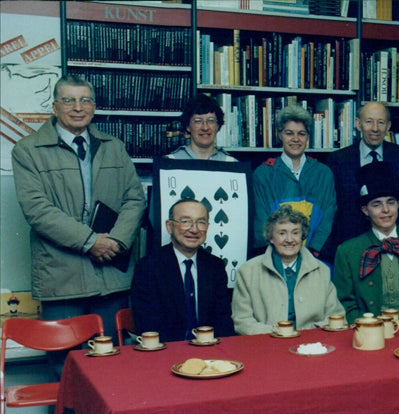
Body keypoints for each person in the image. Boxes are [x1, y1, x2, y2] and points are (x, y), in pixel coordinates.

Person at [11, 74, 146, 355]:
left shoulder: (114, 147)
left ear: (93, 106)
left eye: (85, 100)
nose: (77, 107)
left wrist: (117, 242)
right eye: (68, 100)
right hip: (62, 280)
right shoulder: (27, 151)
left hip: (111, 278)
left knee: (112, 366)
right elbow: (37, 210)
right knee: (66, 368)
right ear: (55, 106)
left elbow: (134, 199)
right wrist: (90, 241)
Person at [333, 165, 399, 324]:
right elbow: (346, 303)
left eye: (390, 202)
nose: (385, 210)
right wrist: (368, 329)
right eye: (376, 204)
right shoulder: (348, 251)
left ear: (398, 204)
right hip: (369, 331)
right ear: (365, 210)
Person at [131, 198, 234, 342]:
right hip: (166, 351)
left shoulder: (215, 266)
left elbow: (223, 320)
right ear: (169, 226)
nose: (194, 229)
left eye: (201, 222)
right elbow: (147, 324)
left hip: (210, 350)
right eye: (185, 221)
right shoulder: (149, 267)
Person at [232, 205, 344, 334]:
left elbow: (336, 317)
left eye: (295, 233)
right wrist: (277, 333)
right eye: (282, 233)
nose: (289, 240)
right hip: (267, 346)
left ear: (302, 236)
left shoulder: (322, 271)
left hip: (313, 346)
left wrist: (309, 335)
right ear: (271, 237)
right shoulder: (247, 272)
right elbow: (242, 322)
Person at [327, 101, 399, 253]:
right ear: (358, 124)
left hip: (393, 244)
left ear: (388, 126)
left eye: (380, 122)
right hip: (350, 244)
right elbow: (335, 208)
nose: (375, 128)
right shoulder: (338, 160)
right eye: (369, 122)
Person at [252, 104, 337, 254]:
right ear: (280, 135)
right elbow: (261, 219)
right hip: (275, 255)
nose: (296, 139)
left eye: (302, 134)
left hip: (314, 256)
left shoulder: (323, 173)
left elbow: (328, 216)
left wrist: (312, 252)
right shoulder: (263, 173)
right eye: (289, 133)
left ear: (308, 136)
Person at [167, 94, 238, 161]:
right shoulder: (171, 160)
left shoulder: (232, 163)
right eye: (198, 121)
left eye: (211, 121)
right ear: (187, 126)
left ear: (218, 125)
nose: (205, 128)